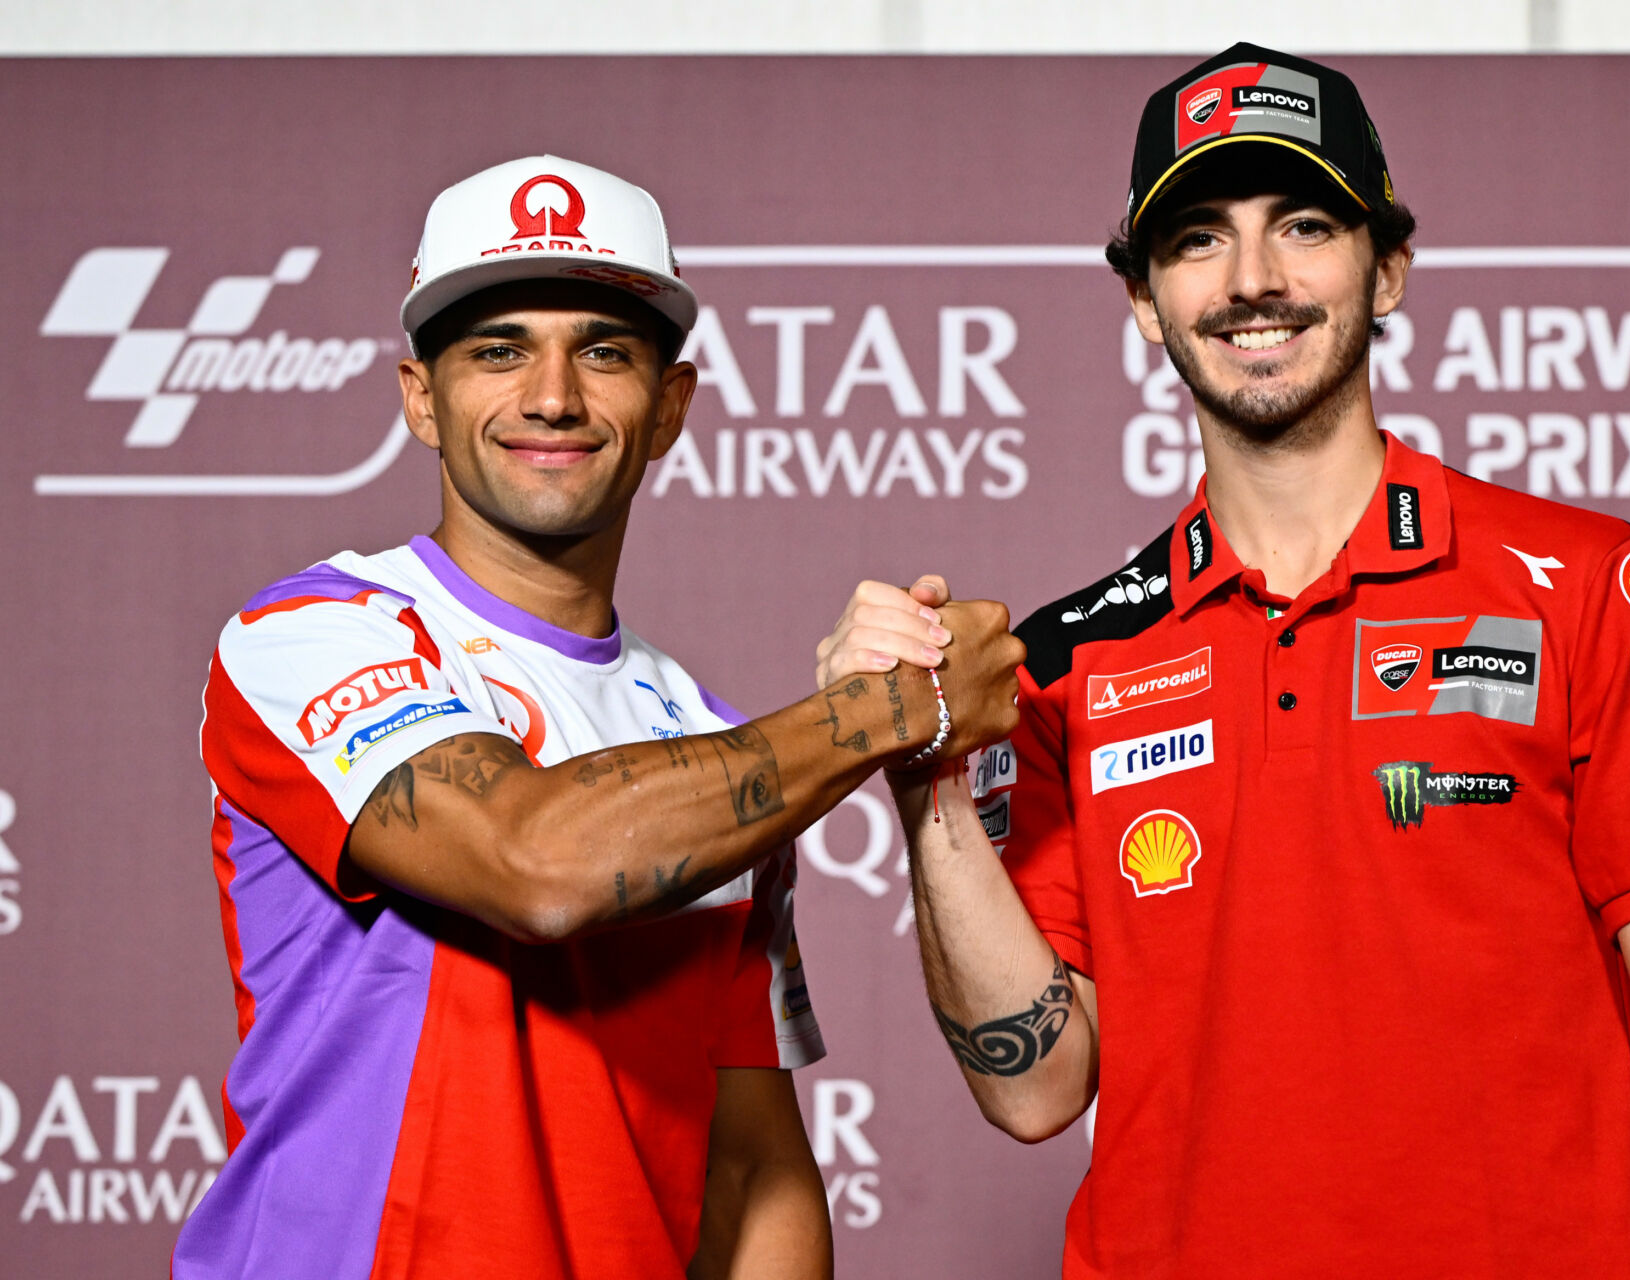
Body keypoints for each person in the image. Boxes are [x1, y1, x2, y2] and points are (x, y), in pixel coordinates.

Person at [817, 45, 1630, 1279]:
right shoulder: (1066, 658)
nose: (1254, 280)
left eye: (1306, 224)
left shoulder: (1583, 581)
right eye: (1200, 240)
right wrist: (931, 775)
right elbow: (1038, 1085)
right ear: (1142, 299)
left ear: (1388, 271)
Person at [178, 154, 1022, 1279]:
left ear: (669, 407)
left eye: (605, 351)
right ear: (420, 398)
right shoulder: (319, 633)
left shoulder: (705, 738)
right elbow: (537, 863)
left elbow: (749, 1167)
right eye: (497, 349)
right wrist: (887, 710)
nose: (553, 396)